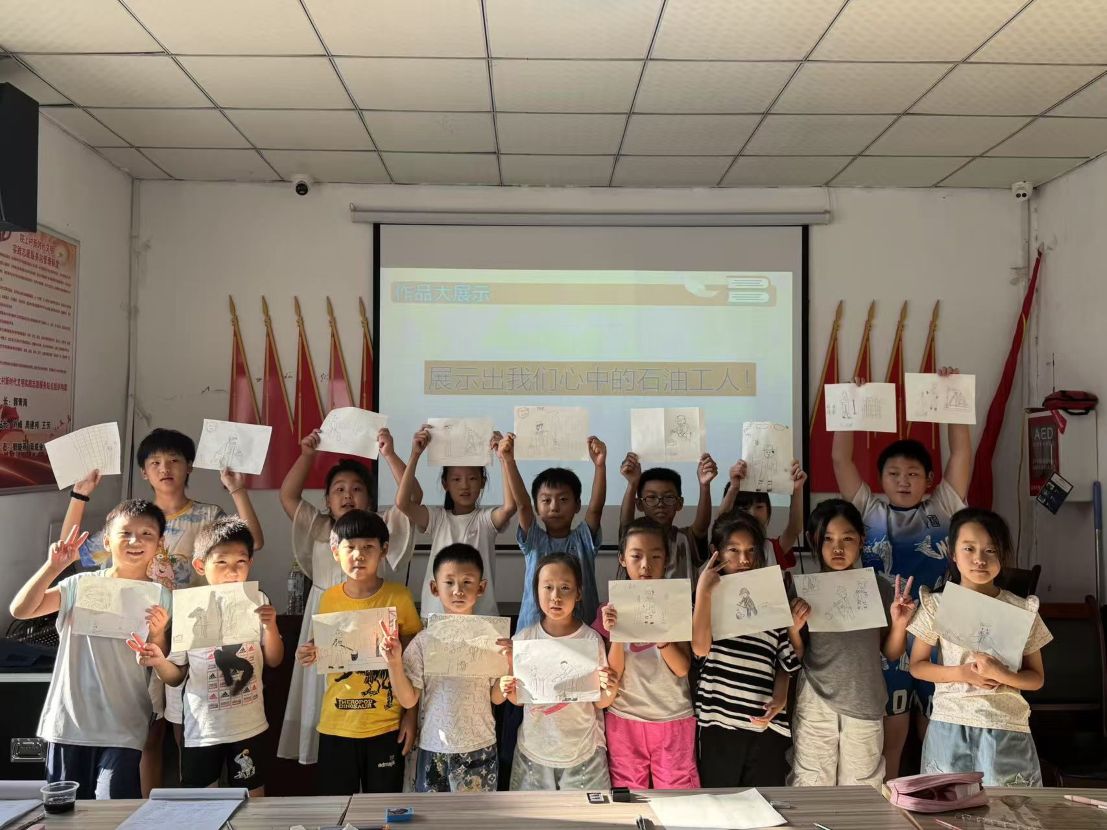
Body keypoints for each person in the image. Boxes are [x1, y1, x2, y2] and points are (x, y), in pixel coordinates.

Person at [61, 428, 265, 793]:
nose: (165, 468)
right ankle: (149, 808)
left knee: (189, 726)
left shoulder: (208, 514)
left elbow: (254, 542)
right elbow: (73, 551)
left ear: (189, 467)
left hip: (198, 635)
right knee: (149, 731)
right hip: (143, 633)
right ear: (143, 471)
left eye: (174, 460)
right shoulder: (133, 520)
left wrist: (236, 489)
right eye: (155, 462)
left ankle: (200, 798)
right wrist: (80, 494)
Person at [831, 367, 973, 778]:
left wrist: (952, 396)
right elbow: (840, 458)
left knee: (933, 728)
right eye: (894, 474)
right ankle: (889, 799)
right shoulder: (867, 510)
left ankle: (936, 795)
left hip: (937, 635)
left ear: (929, 480)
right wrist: (852, 404)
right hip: (885, 635)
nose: (903, 481)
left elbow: (961, 455)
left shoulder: (943, 507)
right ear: (880, 479)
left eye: (913, 474)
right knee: (892, 733)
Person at [10, 500, 172, 799]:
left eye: (146, 534)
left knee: (114, 807)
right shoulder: (79, 584)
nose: (135, 541)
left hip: (125, 724)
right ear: (107, 540)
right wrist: (53, 567)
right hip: (70, 722)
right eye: (125, 533)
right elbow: (21, 610)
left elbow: (159, 656)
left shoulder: (161, 596)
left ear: (160, 543)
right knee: (66, 810)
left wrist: (160, 632)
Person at [277, 427, 417, 766]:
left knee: (371, 692)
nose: (347, 495)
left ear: (369, 498)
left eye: (357, 489)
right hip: (328, 616)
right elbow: (289, 496)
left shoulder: (381, 526)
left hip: (373, 616)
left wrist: (389, 454)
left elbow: (411, 497)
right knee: (325, 693)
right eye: (338, 489)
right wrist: (307, 455)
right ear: (327, 499)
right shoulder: (320, 527)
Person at [134, 517, 283, 796]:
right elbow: (175, 676)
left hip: (249, 724)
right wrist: (159, 661)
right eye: (221, 562)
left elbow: (274, 659)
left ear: (250, 563)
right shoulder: (188, 608)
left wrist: (271, 627)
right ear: (201, 565)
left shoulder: (258, 600)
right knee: (201, 800)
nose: (232, 571)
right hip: (202, 729)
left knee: (254, 797)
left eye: (240, 562)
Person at [908, 508, 1051, 786]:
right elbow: (917, 666)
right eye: (969, 548)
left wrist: (1002, 674)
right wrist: (962, 673)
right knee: (948, 803)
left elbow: (1036, 678)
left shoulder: (1022, 610)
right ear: (953, 553)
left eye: (990, 550)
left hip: (1005, 725)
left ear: (1002, 555)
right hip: (950, 722)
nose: (979, 559)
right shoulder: (936, 604)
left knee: (1009, 806)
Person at [788, 499, 916, 787]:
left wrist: (899, 625)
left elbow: (891, 652)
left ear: (862, 540)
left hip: (864, 698)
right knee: (811, 784)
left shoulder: (879, 588)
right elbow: (798, 653)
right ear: (813, 540)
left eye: (847, 538)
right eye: (828, 539)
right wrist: (794, 629)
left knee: (862, 786)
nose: (838, 548)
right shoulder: (802, 589)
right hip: (816, 698)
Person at [295, 510, 421, 794]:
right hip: (336, 724)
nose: (358, 555)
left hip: (386, 725)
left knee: (383, 806)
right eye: (350, 547)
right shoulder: (329, 598)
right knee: (336, 807)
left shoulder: (399, 597)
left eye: (368, 547)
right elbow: (321, 646)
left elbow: (415, 666)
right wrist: (308, 652)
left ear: (384, 550)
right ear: (335, 551)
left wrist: (410, 718)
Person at [380, 543, 512, 792]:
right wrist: (394, 662)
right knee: (434, 814)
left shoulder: (493, 639)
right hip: (434, 747)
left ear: (481, 588)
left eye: (467, 582)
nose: (458, 590)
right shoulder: (424, 640)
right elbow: (408, 700)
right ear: (434, 588)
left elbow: (496, 697)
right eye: (449, 582)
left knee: (479, 813)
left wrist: (511, 665)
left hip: (480, 745)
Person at [692, 512, 807, 787]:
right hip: (719, 722)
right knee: (722, 803)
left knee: (767, 802)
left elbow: (786, 660)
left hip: (765, 724)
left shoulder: (770, 597)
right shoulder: (707, 597)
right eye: (733, 550)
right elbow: (699, 649)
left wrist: (780, 697)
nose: (743, 559)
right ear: (716, 551)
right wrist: (703, 592)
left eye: (750, 550)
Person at [594, 518, 698, 790]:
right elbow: (613, 674)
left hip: (672, 716)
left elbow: (682, 668)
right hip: (624, 717)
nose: (645, 565)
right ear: (622, 558)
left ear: (667, 559)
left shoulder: (676, 604)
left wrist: (662, 638)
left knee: (677, 795)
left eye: (655, 556)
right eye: (636, 556)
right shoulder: (609, 610)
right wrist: (616, 634)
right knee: (628, 795)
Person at [501, 554, 619, 790]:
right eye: (548, 587)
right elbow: (519, 699)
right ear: (536, 591)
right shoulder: (524, 639)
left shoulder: (591, 639)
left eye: (565, 588)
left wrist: (611, 687)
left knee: (585, 813)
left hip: (583, 752)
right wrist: (508, 687)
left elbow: (600, 702)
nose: (556, 596)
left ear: (579, 593)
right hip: (534, 751)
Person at [395, 425, 516, 618]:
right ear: (445, 484)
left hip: (481, 616)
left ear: (483, 482)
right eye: (457, 479)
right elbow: (403, 504)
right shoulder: (438, 518)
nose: (465, 486)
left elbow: (509, 507)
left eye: (472, 479)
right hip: (437, 612)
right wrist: (415, 455)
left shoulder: (485, 520)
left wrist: (504, 459)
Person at [501, 432, 606, 632]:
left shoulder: (583, 540)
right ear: (537, 507)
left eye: (563, 499)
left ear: (577, 505)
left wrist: (600, 466)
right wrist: (509, 461)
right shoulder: (534, 541)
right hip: (533, 634)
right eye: (546, 500)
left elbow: (596, 509)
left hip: (582, 634)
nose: (554, 507)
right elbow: (522, 505)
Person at [618, 454, 718, 583]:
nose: (660, 504)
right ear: (639, 504)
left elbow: (702, 527)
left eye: (668, 497)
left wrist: (705, 486)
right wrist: (632, 484)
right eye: (651, 497)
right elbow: (625, 525)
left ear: (679, 503)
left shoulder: (685, 539)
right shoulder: (633, 538)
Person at [718, 459, 807, 569]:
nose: (752, 514)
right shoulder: (723, 548)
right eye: (744, 508)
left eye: (759, 507)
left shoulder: (772, 549)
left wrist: (797, 489)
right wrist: (733, 488)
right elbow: (720, 525)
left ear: (768, 509)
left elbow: (794, 529)